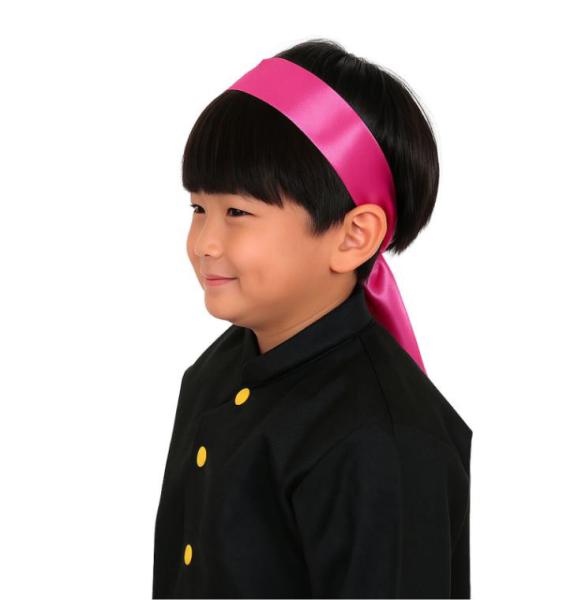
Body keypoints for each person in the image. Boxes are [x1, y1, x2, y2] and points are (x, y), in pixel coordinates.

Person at [152, 38, 473, 599]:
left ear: (353, 236)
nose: (204, 242)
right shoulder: (213, 374)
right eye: (199, 207)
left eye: (237, 212)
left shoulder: (383, 442)